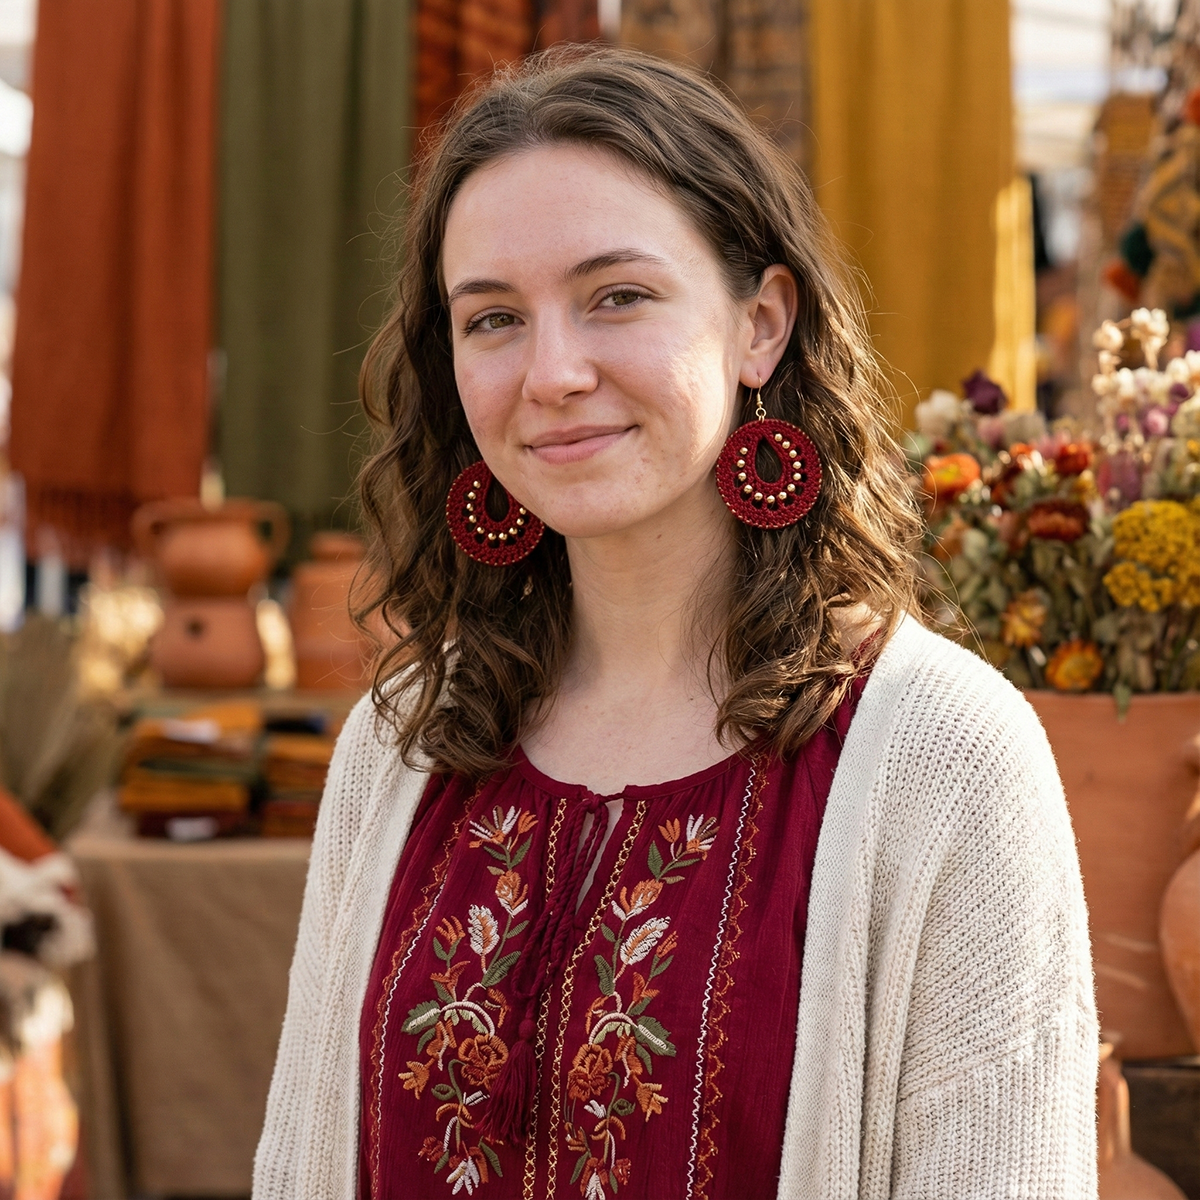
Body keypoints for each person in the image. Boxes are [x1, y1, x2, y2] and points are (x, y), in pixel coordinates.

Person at [254, 48, 1097, 1200]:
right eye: (492, 318)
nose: (551, 373)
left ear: (760, 324)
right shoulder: (402, 740)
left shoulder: (948, 759)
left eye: (618, 297)